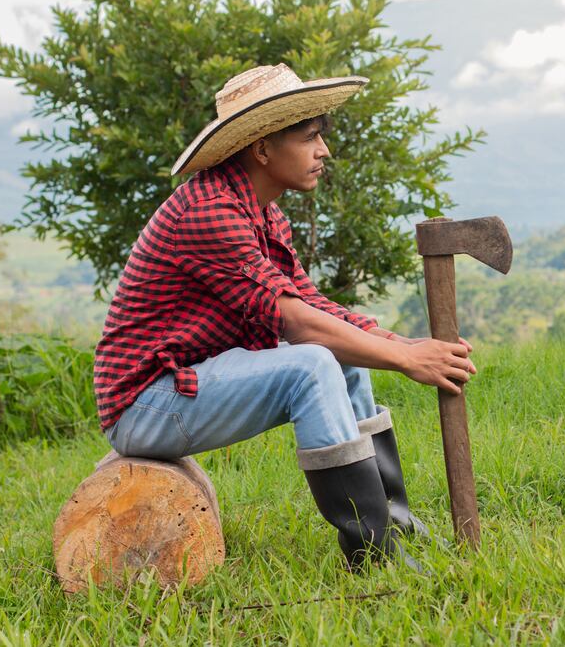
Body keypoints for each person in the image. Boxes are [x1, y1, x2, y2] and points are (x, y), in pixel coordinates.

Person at [94, 63, 476, 570]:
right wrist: (408, 361)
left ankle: (392, 519)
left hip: (188, 386)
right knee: (314, 362)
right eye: (310, 138)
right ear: (263, 149)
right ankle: (374, 555)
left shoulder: (262, 212)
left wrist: (405, 345)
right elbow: (296, 323)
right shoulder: (208, 213)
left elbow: (312, 305)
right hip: (146, 405)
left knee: (340, 358)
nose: (324, 152)